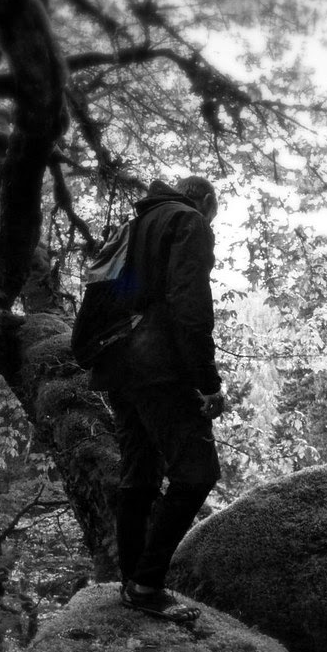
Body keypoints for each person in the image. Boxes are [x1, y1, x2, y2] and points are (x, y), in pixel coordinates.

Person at [91, 175, 226, 623]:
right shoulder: (188, 221)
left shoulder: (133, 226)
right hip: (159, 368)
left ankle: (133, 582)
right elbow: (190, 303)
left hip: (117, 367)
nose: (211, 223)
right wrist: (207, 382)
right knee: (197, 472)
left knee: (140, 473)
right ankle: (147, 584)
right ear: (205, 201)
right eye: (214, 214)